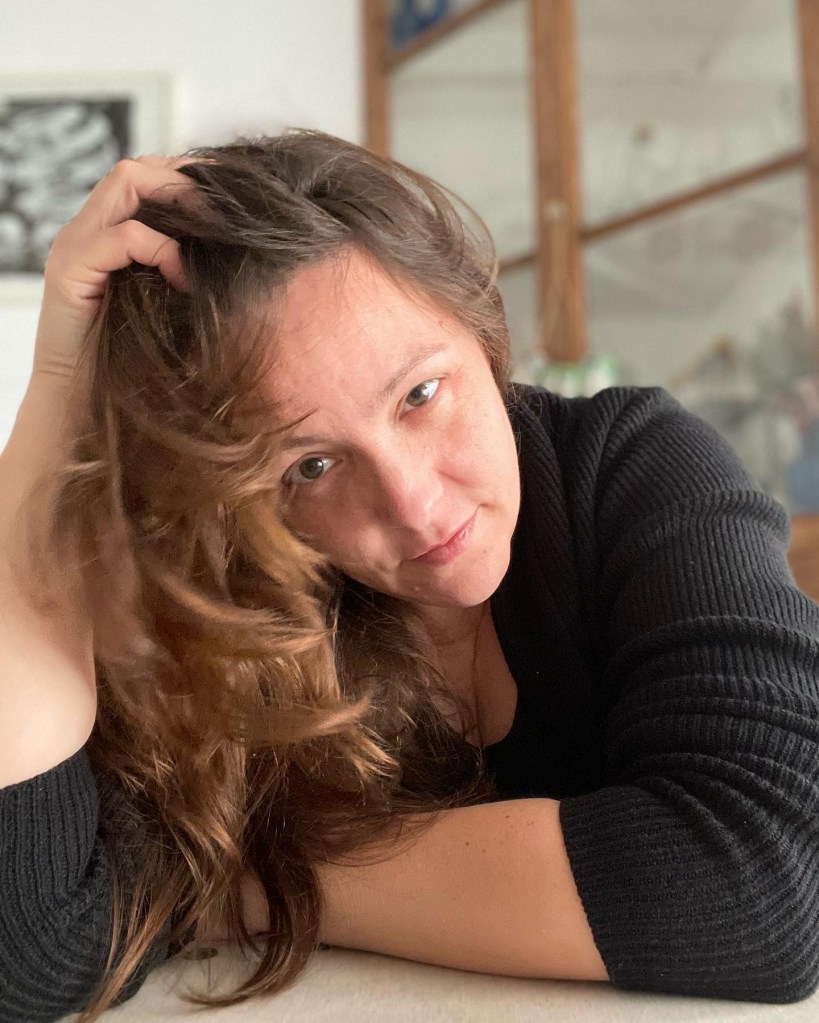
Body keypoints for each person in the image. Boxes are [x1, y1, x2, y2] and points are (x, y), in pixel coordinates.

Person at [1, 130, 818, 1023]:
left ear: (480, 327)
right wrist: (57, 386)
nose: (416, 506)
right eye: (309, 466)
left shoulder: (630, 468)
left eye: (420, 395)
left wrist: (264, 881)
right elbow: (29, 951)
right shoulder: (230, 602)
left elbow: (769, 881)